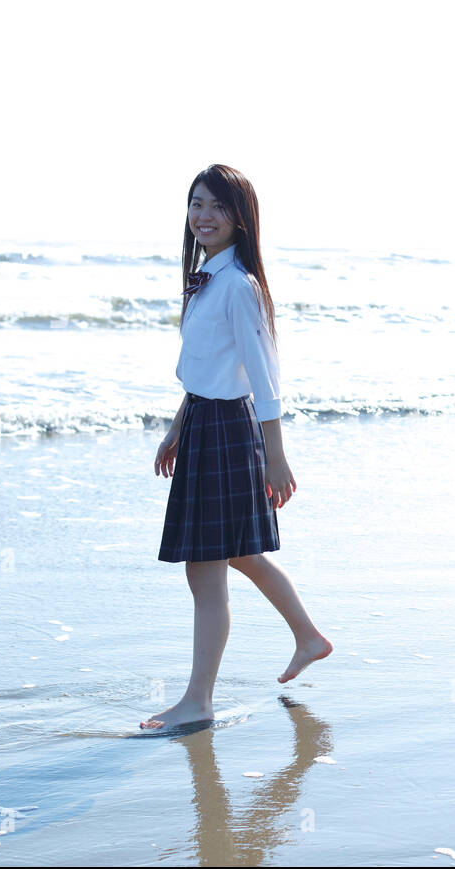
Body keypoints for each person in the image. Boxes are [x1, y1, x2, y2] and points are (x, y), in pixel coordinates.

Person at [142, 164, 332, 731]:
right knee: (236, 557)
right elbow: (205, 369)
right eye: (197, 204)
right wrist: (179, 425)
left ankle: (198, 701)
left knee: (208, 568)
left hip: (229, 429)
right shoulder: (207, 280)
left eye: (217, 207)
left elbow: (264, 375)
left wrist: (276, 454)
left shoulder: (238, 285)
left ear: (240, 218)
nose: (203, 216)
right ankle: (309, 637)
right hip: (204, 422)